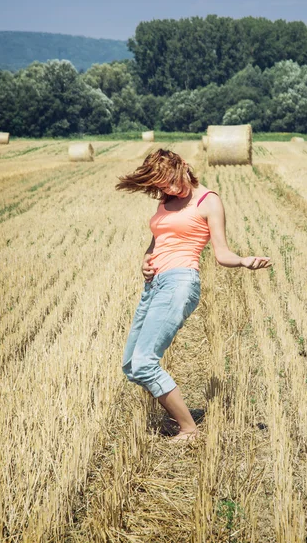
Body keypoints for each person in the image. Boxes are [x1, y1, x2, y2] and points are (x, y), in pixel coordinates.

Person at [115, 148, 272, 441]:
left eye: (172, 181)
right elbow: (157, 240)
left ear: (184, 166)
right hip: (155, 284)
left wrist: (244, 261)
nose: (170, 188)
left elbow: (222, 253)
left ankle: (189, 429)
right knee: (131, 366)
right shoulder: (167, 199)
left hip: (179, 283)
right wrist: (145, 260)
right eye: (162, 185)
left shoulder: (208, 201)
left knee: (145, 362)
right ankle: (177, 415)